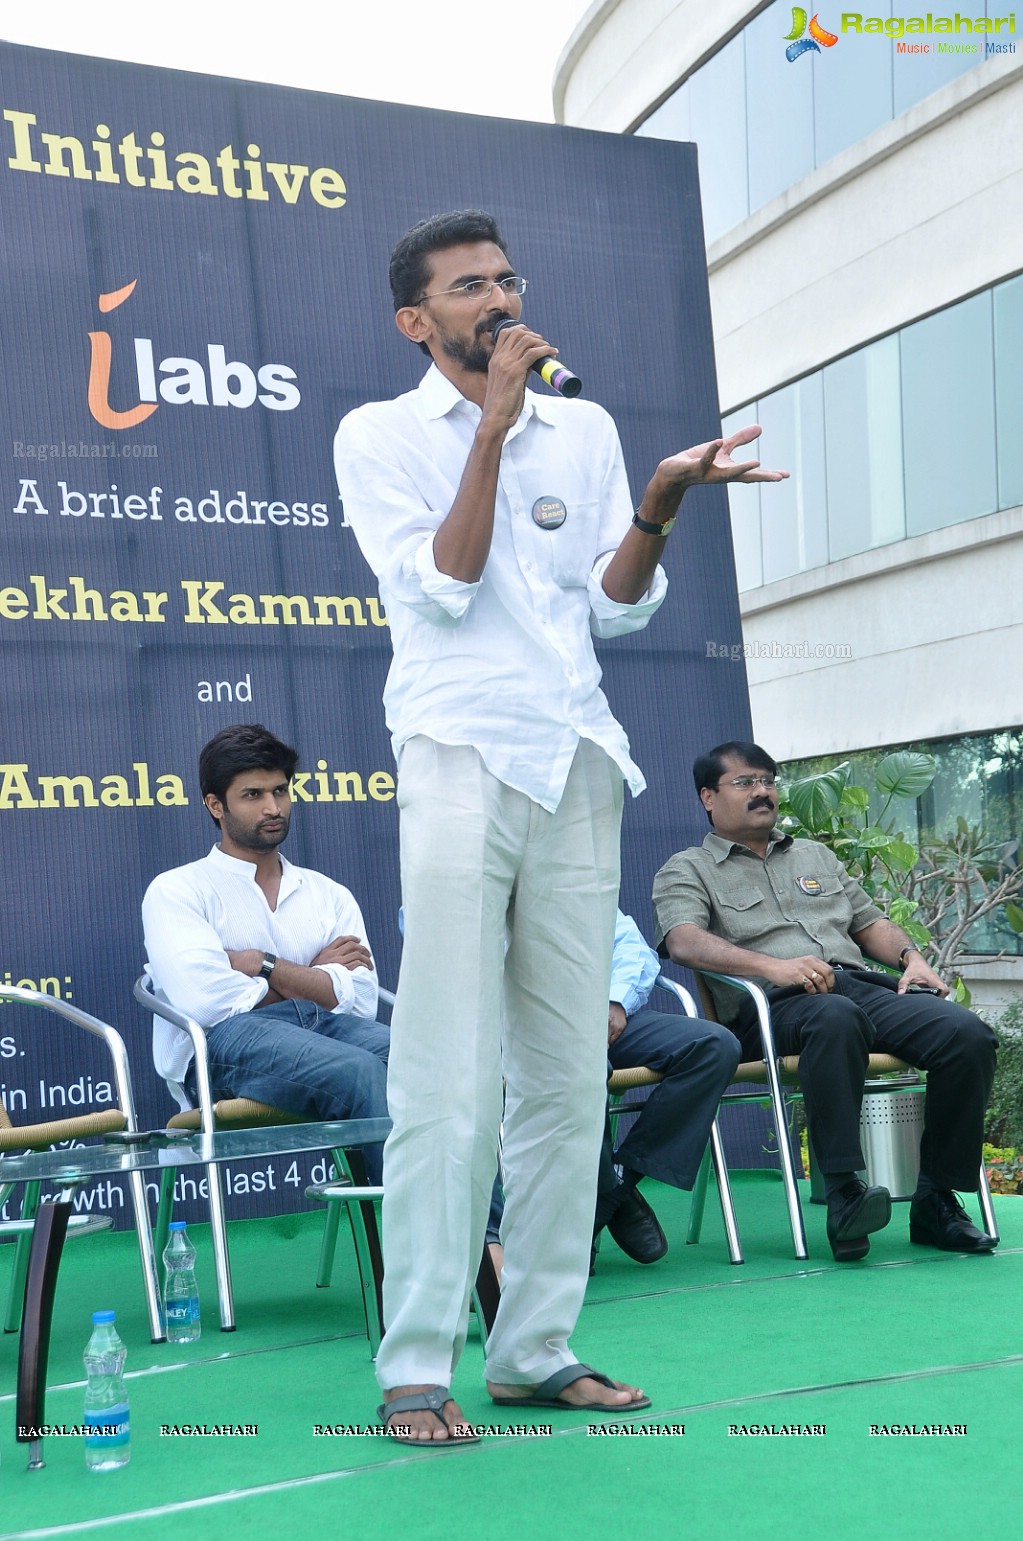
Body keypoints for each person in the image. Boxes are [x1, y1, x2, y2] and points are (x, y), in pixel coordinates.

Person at [333, 210, 787, 1443]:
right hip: (457, 755)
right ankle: (417, 1360)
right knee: (445, 1074)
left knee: (563, 1078)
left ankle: (534, 1347)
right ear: (415, 321)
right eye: (470, 286)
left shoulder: (581, 426)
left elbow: (616, 604)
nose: (499, 299)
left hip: (579, 758)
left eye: (508, 280)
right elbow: (447, 576)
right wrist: (488, 427)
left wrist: (655, 503)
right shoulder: (376, 435)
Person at [652, 739, 999, 1263]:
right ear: (708, 796)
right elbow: (683, 940)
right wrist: (772, 966)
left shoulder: (816, 856)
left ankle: (936, 1201)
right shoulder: (688, 868)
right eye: (745, 782)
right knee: (835, 1018)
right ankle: (844, 1193)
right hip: (770, 1009)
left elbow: (870, 923)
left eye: (768, 780)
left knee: (966, 1034)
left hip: (854, 989)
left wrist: (911, 957)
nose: (762, 791)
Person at [141, 724, 390, 1183]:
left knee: (427, 1067)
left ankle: (485, 1244)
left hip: (330, 1030)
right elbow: (210, 1003)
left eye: (280, 791)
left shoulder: (328, 894)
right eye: (252, 795)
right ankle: (405, 1245)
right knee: (359, 1071)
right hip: (224, 1047)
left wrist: (262, 964)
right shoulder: (177, 890)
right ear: (215, 805)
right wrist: (314, 977)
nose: (273, 808)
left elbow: (360, 1001)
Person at [593, 910, 741, 1270]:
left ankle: (615, 1189)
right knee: (579, 1067)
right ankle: (604, 1197)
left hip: (605, 1018)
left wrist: (615, 1001)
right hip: (531, 1032)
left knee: (714, 1045)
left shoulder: (575, 879)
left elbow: (630, 947)